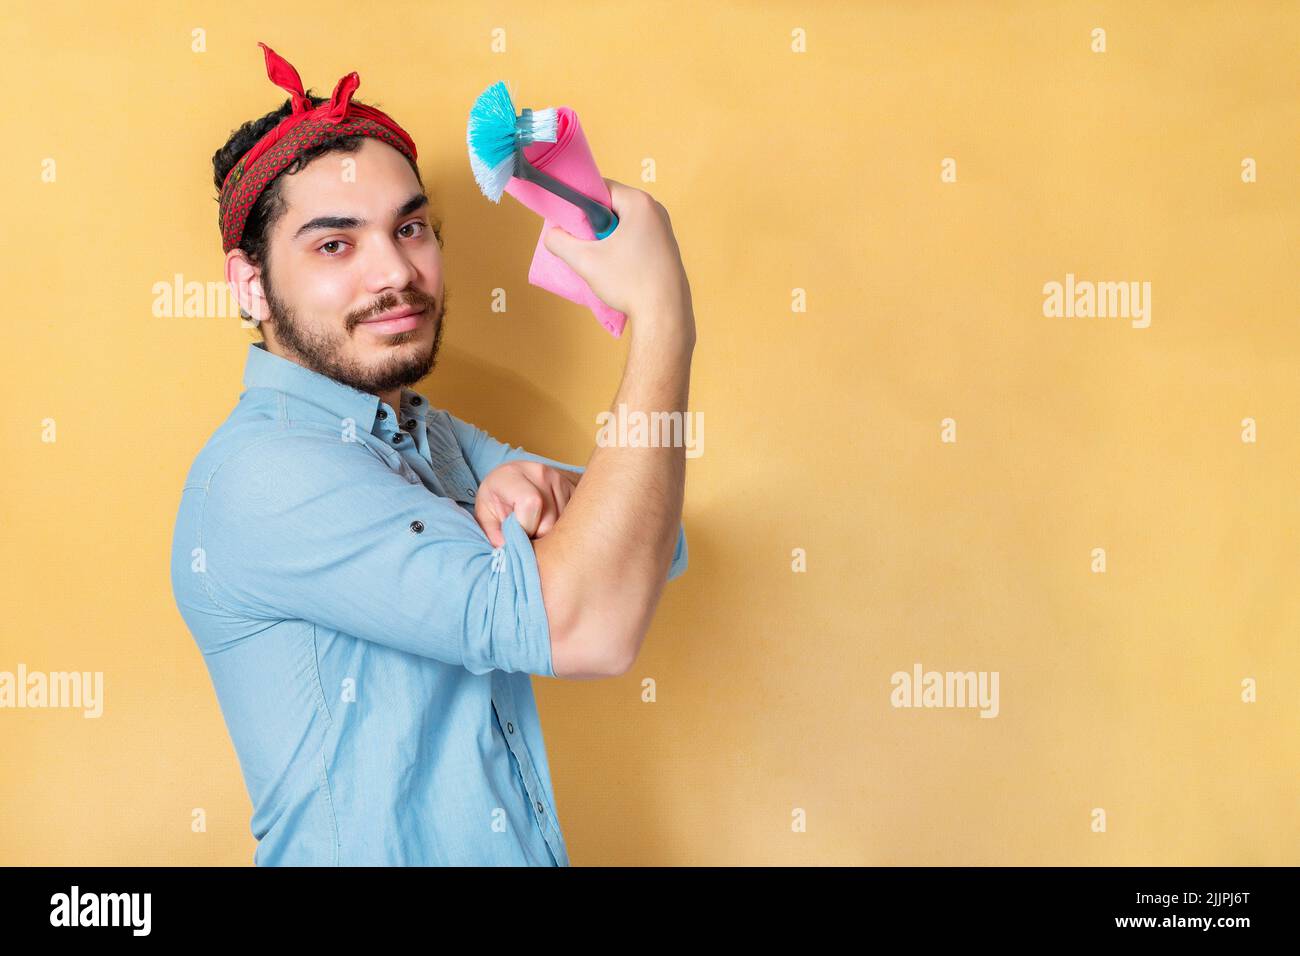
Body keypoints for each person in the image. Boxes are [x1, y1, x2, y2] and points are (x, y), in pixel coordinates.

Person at [169, 43, 695, 866]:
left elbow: (651, 542)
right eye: (334, 244)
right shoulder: (262, 476)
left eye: (409, 227)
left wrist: (551, 488)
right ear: (250, 285)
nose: (396, 271)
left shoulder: (425, 432)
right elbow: (593, 621)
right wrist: (662, 316)